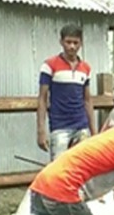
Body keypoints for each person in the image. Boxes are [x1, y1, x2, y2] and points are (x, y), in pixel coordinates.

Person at [37, 24, 97, 160]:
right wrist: (41, 131)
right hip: (59, 127)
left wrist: (94, 132)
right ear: (61, 42)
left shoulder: (85, 68)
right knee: (58, 169)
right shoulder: (49, 65)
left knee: (84, 167)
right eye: (68, 42)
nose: (72, 46)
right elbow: (42, 99)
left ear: (81, 44)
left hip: (81, 126)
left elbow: (87, 100)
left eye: (75, 43)